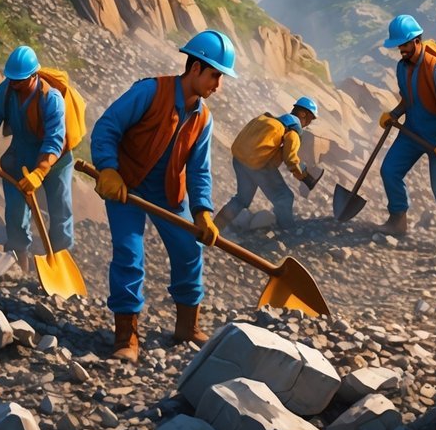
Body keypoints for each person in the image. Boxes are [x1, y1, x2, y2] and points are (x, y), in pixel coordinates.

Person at [89, 30, 237, 359]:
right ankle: (126, 336)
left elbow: (199, 169)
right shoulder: (149, 92)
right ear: (195, 68)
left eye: (222, 77)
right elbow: (107, 127)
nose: (219, 85)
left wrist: (202, 212)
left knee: (189, 250)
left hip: (168, 191)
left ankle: (187, 326)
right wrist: (109, 169)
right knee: (129, 254)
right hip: (125, 184)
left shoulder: (203, 119)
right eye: (215, 75)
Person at [0, 46, 74, 263]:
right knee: (16, 207)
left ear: (33, 76)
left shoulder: (51, 98)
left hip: (55, 160)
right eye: (11, 79)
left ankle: (60, 257)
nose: (14, 84)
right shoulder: (6, 91)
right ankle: (19, 254)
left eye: (19, 80)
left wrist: (40, 171)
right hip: (22, 150)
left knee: (60, 207)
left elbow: (55, 140)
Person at [376, 14, 436, 250]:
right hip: (412, 130)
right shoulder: (402, 68)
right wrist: (394, 113)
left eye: (403, 45)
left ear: (416, 40)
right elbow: (409, 98)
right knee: (389, 170)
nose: (400, 50)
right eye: (398, 46)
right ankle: (397, 220)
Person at [218, 97, 319, 231]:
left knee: (241, 199)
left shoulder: (268, 120)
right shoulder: (292, 131)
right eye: (310, 119)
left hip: (240, 161)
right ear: (303, 114)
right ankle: (287, 232)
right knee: (284, 197)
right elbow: (291, 159)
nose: (309, 123)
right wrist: (305, 177)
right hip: (258, 166)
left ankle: (213, 227)